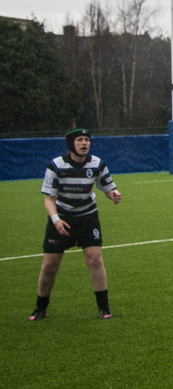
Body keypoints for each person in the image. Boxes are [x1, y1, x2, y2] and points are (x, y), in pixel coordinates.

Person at [31, 129, 123, 321]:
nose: (84, 143)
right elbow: (49, 199)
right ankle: (40, 308)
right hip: (61, 218)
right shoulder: (56, 165)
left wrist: (113, 194)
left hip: (88, 218)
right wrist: (56, 220)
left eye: (87, 140)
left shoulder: (97, 163)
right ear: (71, 144)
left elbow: (107, 187)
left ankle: (104, 308)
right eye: (80, 140)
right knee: (50, 265)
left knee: (95, 259)